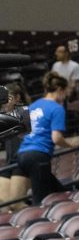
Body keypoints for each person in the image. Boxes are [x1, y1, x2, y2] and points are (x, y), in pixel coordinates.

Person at [16, 72, 79, 206]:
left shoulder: (32, 105)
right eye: (66, 91)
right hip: (39, 155)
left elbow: (22, 133)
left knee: (60, 193)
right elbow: (56, 138)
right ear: (59, 90)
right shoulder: (57, 108)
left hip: (22, 154)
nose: (66, 96)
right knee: (41, 201)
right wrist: (71, 145)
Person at [0, 82, 31, 210]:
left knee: (16, 204)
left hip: (22, 162)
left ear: (17, 98)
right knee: (4, 205)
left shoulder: (25, 112)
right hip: (9, 162)